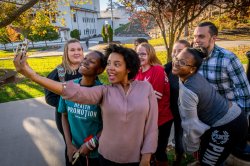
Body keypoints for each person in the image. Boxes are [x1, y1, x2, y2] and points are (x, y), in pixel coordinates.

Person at [13, 44, 158, 166]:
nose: (110, 68)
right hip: (106, 158)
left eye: (117, 64)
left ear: (129, 68)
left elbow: (151, 127)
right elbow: (71, 91)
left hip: (137, 158)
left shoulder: (146, 88)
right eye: (108, 64)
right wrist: (32, 75)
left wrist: (146, 156)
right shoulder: (104, 91)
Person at [171, 47, 248, 165]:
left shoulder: (188, 90)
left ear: (192, 69)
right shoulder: (194, 76)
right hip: (236, 115)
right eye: (176, 58)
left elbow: (191, 125)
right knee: (215, 158)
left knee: (208, 163)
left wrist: (191, 148)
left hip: (226, 126)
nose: (175, 63)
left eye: (182, 62)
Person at [193, 21, 250, 156]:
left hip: (228, 115)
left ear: (213, 38)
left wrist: (240, 122)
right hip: (204, 115)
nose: (196, 40)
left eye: (201, 37)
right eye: (195, 36)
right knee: (208, 153)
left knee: (223, 154)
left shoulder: (228, 59)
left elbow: (245, 92)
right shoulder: (193, 57)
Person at [59, 51, 106, 166]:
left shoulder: (103, 92)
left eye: (92, 61)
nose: (85, 62)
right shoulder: (68, 87)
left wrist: (91, 144)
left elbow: (109, 126)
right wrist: (69, 145)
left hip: (96, 153)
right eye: (85, 58)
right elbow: (64, 116)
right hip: (74, 149)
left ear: (99, 70)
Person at [44, 38, 84, 165]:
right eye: (72, 50)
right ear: (66, 53)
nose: (76, 52)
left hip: (85, 116)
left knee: (85, 145)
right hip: (66, 118)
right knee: (72, 145)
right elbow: (50, 97)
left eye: (79, 49)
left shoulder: (87, 69)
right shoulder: (59, 73)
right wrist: (70, 104)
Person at [135, 43, 173, 166]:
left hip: (161, 119)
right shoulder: (138, 71)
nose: (139, 56)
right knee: (146, 150)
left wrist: (137, 96)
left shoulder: (157, 69)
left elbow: (155, 98)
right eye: (137, 53)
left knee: (159, 151)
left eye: (143, 54)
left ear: (150, 54)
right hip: (145, 119)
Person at [164, 40, 190, 165]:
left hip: (182, 112)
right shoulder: (168, 67)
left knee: (179, 137)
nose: (175, 54)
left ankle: (178, 158)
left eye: (180, 51)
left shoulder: (191, 70)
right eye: (174, 51)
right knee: (162, 136)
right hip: (168, 110)